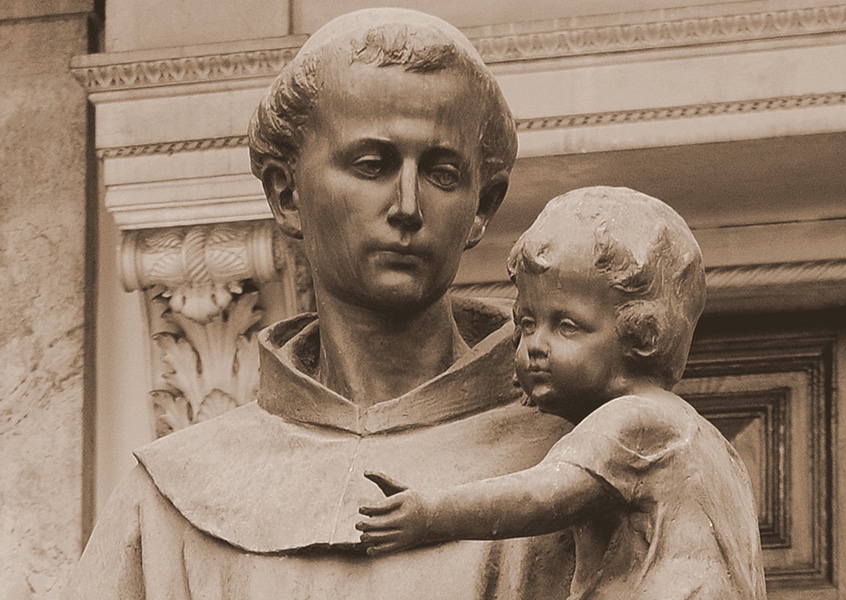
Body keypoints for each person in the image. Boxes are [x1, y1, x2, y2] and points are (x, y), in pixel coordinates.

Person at [64, 8, 575, 599]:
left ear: (482, 206)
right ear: (286, 193)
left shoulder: (584, 461)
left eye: (441, 172)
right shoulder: (166, 499)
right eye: (371, 165)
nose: (407, 205)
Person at [356, 186, 768, 600]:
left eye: (566, 326)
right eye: (527, 324)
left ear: (642, 334)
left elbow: (542, 496)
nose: (534, 345)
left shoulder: (636, 422)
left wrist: (430, 515)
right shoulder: (712, 445)